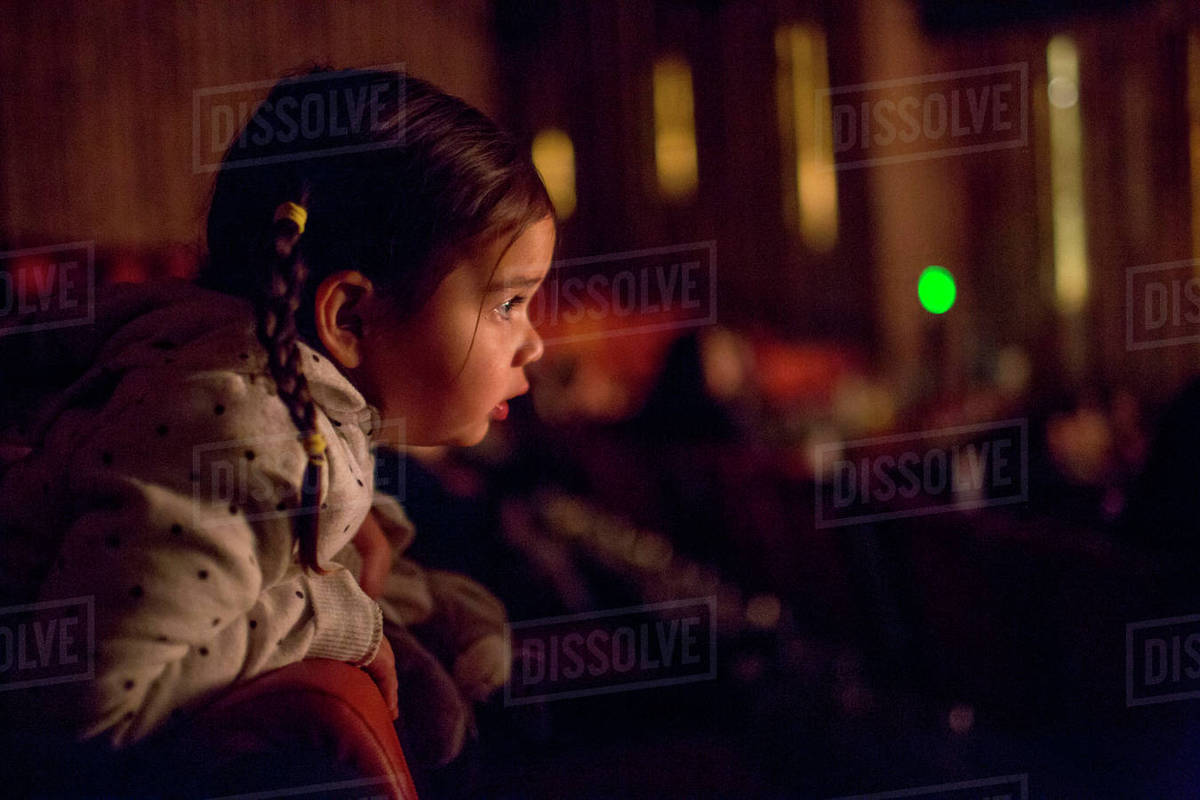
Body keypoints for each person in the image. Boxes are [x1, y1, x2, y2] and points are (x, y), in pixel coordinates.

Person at [0, 65, 554, 765]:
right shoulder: (244, 431)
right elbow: (94, 693)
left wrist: (430, 606)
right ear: (350, 315)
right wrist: (341, 621)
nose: (535, 342)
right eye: (509, 303)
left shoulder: (259, 394)